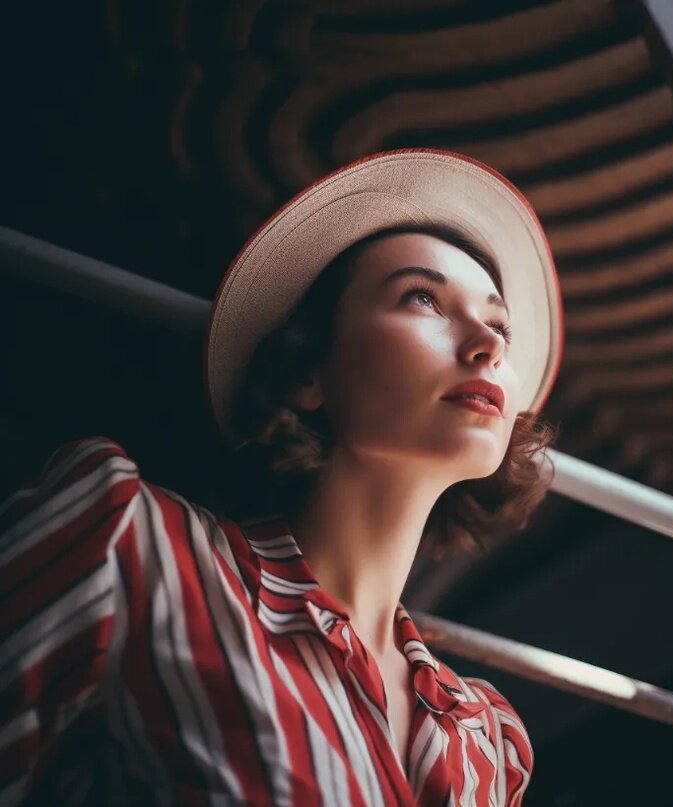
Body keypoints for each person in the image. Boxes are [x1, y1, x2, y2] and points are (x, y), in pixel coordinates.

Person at [0, 149, 564, 805]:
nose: (489, 344)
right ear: (306, 373)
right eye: (422, 297)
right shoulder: (131, 541)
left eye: (498, 323)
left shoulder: (488, 739)